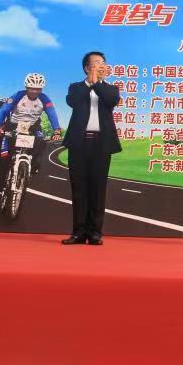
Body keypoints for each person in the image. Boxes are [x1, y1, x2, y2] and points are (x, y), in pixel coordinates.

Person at [61, 52, 121, 245]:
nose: (101, 65)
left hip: (101, 145)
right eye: (96, 63)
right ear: (87, 68)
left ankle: (95, 233)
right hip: (79, 144)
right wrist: (89, 82)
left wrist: (96, 83)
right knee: (79, 189)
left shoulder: (111, 89)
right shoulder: (76, 88)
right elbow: (73, 102)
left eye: (103, 63)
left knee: (98, 189)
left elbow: (111, 101)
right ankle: (78, 233)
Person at [0, 74, 62, 205]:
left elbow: (52, 113)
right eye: (32, 88)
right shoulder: (18, 96)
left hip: (33, 127)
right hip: (13, 125)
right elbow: (4, 110)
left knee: (41, 142)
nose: (35, 91)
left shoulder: (44, 99)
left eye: (38, 89)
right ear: (26, 87)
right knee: (4, 159)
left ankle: (32, 165)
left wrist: (57, 130)